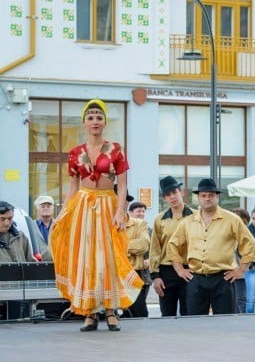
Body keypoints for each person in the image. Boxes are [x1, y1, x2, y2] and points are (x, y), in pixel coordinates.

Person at [49, 99, 143, 332]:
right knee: (85, 259)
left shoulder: (116, 149)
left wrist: (120, 212)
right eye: (90, 118)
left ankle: (111, 311)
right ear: (84, 123)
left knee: (108, 258)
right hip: (83, 205)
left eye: (99, 118)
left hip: (108, 205)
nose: (95, 122)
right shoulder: (75, 153)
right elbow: (73, 186)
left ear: (104, 123)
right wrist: (63, 213)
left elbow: (121, 186)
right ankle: (89, 313)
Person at [165, 179, 255, 315]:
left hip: (223, 279)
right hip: (195, 279)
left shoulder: (232, 220)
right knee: (195, 323)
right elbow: (172, 245)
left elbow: (250, 244)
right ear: (198, 198)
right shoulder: (188, 222)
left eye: (211, 195)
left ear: (217, 196)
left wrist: (241, 269)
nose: (207, 199)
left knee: (225, 322)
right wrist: (179, 269)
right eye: (203, 195)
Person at [150, 176, 194, 317]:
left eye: (174, 192)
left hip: (189, 269)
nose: (172, 197)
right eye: (168, 195)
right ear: (164, 199)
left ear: (181, 192)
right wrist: (155, 276)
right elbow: (155, 249)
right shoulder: (160, 219)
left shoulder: (196, 216)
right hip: (166, 271)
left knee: (189, 313)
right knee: (167, 315)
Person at [124, 195, 151, 318]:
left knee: (139, 312)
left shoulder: (141, 225)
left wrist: (118, 247)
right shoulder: (103, 224)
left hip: (134, 272)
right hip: (110, 274)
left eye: (142, 211)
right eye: (138, 211)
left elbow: (143, 246)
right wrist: (131, 250)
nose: (141, 213)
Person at [232, 208, 251, 314]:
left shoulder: (246, 233)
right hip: (228, 269)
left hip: (242, 270)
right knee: (232, 299)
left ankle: (242, 317)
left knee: (241, 298)